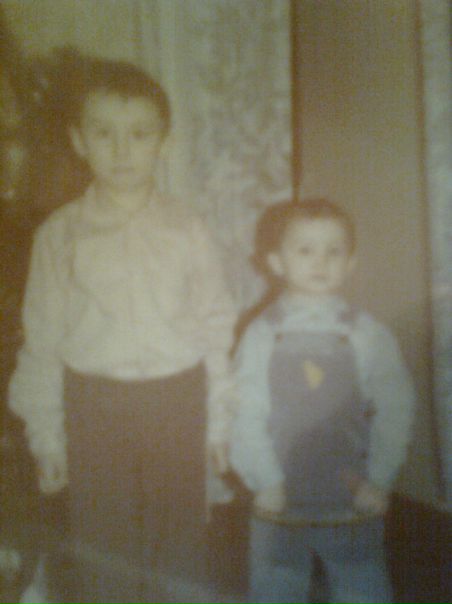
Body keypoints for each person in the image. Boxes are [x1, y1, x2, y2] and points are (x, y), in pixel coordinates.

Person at [8, 54, 236, 604]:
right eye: (103, 133)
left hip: (177, 399)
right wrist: (46, 435)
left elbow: (215, 324)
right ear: (79, 141)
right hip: (95, 406)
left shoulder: (189, 228)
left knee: (179, 541)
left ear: (164, 143)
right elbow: (41, 340)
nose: (121, 149)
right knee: (103, 543)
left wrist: (218, 420)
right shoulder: (59, 235)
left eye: (139, 134)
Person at [230, 199, 415, 604]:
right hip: (279, 494)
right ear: (276, 262)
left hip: (352, 493)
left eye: (334, 251)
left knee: (362, 585)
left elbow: (396, 409)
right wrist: (265, 480)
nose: (321, 261)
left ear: (350, 263)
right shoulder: (261, 334)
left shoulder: (367, 334)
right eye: (306, 250)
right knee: (276, 586)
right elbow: (244, 411)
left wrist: (379, 478)